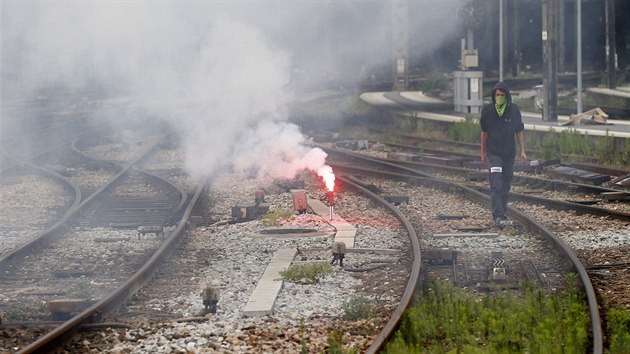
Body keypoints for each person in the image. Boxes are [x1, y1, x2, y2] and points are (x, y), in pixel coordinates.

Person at [480, 81, 527, 227]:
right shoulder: (487, 111)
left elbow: (519, 131)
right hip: (493, 153)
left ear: (507, 95)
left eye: (502, 95)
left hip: (508, 154)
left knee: (506, 184)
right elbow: (484, 132)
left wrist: (523, 150)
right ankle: (498, 216)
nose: (499, 97)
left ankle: (503, 211)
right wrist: (482, 152)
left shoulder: (514, 110)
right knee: (496, 183)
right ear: (493, 96)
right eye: (497, 95)